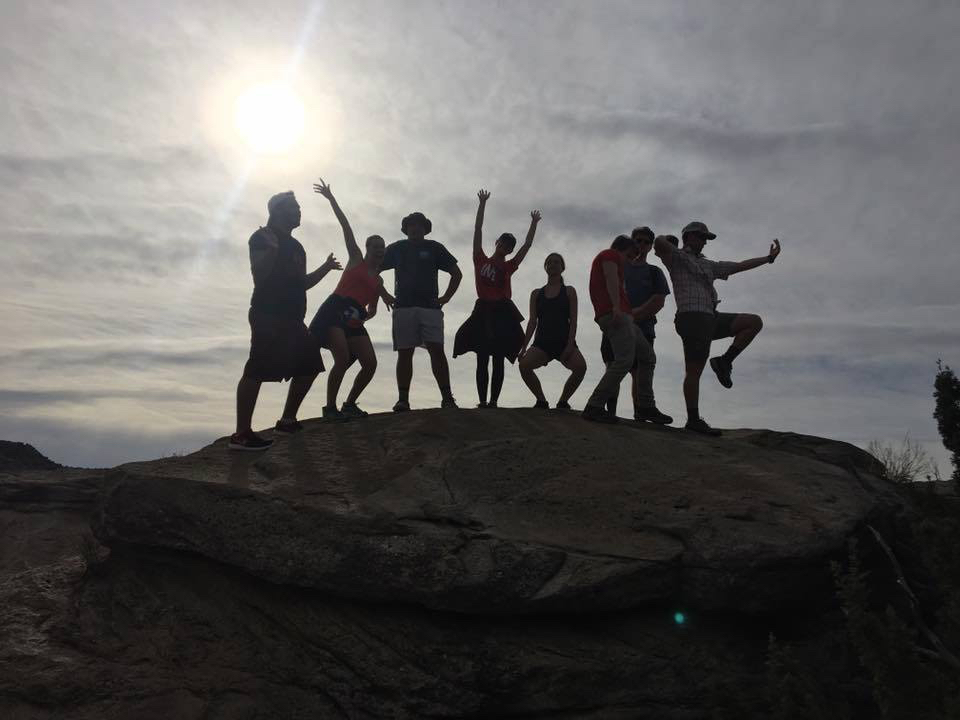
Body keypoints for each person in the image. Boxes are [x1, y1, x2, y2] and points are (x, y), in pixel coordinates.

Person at [230, 191, 341, 451]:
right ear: (277, 210)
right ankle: (242, 433)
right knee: (256, 368)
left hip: (293, 318)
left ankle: (287, 419)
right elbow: (259, 276)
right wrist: (271, 250)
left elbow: (301, 283)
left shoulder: (297, 246)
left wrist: (325, 269)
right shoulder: (262, 237)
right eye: (294, 207)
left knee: (310, 364)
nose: (299, 211)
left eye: (299, 207)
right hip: (267, 314)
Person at [655, 221, 781, 436]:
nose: (705, 242)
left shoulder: (709, 265)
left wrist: (768, 259)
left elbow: (739, 265)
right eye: (702, 237)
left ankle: (724, 361)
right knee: (694, 370)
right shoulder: (676, 257)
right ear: (689, 237)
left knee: (753, 322)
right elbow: (658, 242)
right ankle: (693, 419)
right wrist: (670, 243)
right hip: (692, 318)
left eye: (706, 238)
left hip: (711, 317)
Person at [309, 178, 390, 421]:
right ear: (367, 248)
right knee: (342, 358)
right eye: (375, 246)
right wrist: (331, 198)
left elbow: (373, 309)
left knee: (370, 363)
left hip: (355, 318)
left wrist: (365, 316)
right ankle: (330, 408)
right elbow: (346, 226)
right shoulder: (356, 259)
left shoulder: (379, 281)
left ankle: (350, 404)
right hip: (336, 308)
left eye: (382, 247)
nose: (379, 249)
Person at [453, 189, 539, 407]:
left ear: (509, 250)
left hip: (501, 312)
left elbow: (527, 246)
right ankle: (482, 401)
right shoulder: (479, 259)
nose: (505, 247)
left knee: (499, 358)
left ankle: (493, 401)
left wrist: (534, 223)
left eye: (508, 246)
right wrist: (482, 204)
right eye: (502, 243)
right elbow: (477, 229)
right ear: (497, 243)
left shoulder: (509, 266)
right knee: (482, 357)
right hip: (482, 310)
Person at [380, 210, 462, 411]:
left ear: (425, 228)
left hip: (430, 307)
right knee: (405, 353)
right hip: (404, 307)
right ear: (406, 228)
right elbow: (372, 270)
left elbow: (456, 273)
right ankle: (403, 399)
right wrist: (383, 294)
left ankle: (447, 398)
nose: (415, 228)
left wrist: (446, 297)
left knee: (437, 351)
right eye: (411, 225)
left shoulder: (434, 248)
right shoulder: (396, 248)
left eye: (419, 224)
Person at [599, 226, 673, 424]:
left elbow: (658, 300)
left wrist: (632, 315)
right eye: (637, 240)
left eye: (645, 242)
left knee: (639, 370)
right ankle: (608, 411)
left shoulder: (654, 271)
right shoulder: (616, 264)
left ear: (650, 246)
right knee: (614, 366)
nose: (641, 245)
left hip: (643, 326)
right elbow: (606, 286)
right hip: (615, 322)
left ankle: (641, 413)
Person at [582, 234, 652, 423]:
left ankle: (646, 406)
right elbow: (610, 277)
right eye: (629, 255)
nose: (630, 260)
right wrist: (616, 307)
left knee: (647, 357)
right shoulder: (610, 255)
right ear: (623, 248)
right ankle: (594, 406)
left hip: (624, 316)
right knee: (623, 361)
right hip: (615, 314)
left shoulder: (613, 260)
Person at [518, 252, 586, 409]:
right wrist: (523, 347)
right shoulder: (536, 294)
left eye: (556, 262)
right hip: (542, 343)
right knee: (524, 366)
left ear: (562, 267)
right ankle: (541, 400)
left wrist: (570, 345)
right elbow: (532, 322)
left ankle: (563, 401)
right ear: (545, 267)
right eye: (549, 262)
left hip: (564, 342)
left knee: (580, 367)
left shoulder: (569, 291)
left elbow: (574, 321)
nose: (553, 264)